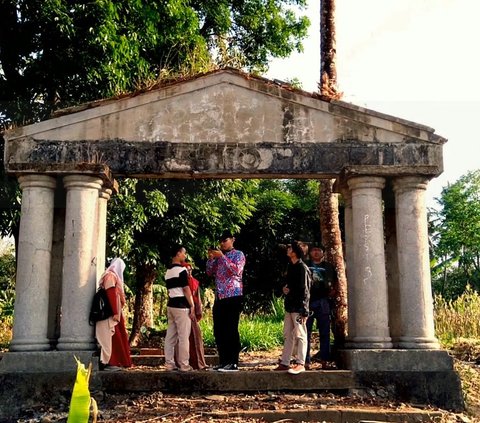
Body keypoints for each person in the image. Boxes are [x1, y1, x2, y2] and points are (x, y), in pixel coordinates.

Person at [206, 231, 246, 372]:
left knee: (231, 329)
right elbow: (210, 272)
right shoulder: (217, 257)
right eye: (220, 241)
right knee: (219, 330)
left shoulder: (238, 255)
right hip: (219, 296)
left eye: (225, 240)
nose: (222, 243)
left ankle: (233, 362)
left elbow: (236, 271)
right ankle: (223, 361)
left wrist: (222, 257)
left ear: (232, 240)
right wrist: (211, 258)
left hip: (233, 295)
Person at [274, 240, 311, 375]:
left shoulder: (303, 268)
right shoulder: (290, 266)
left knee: (301, 334)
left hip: (298, 307)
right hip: (290, 306)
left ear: (295, 252)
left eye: (290, 248)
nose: (288, 250)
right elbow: (287, 285)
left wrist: (305, 311)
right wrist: (284, 289)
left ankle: (300, 363)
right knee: (287, 334)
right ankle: (285, 362)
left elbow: (306, 291)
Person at [95, 257, 133, 371]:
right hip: (111, 313)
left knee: (116, 337)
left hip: (114, 312)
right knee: (110, 337)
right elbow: (111, 293)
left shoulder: (112, 276)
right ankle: (110, 362)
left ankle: (117, 362)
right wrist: (115, 312)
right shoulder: (110, 276)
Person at [305, 244, 337, 369]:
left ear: (323, 253)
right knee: (305, 332)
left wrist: (332, 293)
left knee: (324, 332)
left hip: (324, 302)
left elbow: (335, 283)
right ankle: (305, 361)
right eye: (314, 250)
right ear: (310, 252)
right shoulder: (305, 265)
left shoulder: (329, 267)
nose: (316, 253)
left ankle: (325, 361)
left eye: (319, 250)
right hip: (307, 302)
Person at [164, 245, 195, 372]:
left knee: (170, 336)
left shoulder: (167, 272)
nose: (185, 255)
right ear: (178, 254)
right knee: (183, 336)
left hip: (171, 305)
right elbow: (186, 289)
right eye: (183, 253)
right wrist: (192, 305)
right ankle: (184, 364)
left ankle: (169, 363)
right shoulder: (181, 271)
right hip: (181, 306)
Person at [180, 261, 208, 370]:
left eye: (190, 269)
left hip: (192, 314)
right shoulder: (179, 282)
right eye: (186, 270)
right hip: (182, 310)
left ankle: (198, 363)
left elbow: (198, 299)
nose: (189, 271)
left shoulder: (195, 282)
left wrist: (198, 312)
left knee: (195, 337)